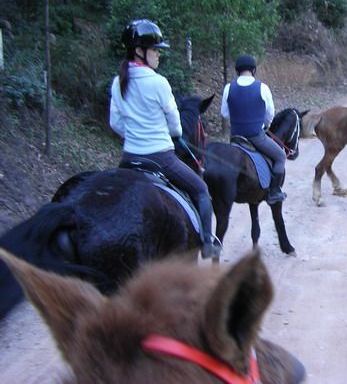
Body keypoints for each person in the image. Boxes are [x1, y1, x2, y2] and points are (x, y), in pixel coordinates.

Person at [109, 19, 217, 259]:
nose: (158, 55)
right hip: (161, 158)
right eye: (156, 50)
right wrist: (171, 134)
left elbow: (115, 123)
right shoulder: (159, 82)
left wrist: (135, 135)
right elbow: (175, 126)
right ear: (139, 50)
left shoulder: (118, 82)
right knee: (200, 189)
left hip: (128, 160)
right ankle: (208, 244)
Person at [221, 55, 287, 205]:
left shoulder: (228, 88)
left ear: (237, 70)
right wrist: (265, 124)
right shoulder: (262, 87)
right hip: (256, 136)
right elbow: (269, 114)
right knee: (280, 157)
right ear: (254, 70)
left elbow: (224, 113)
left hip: (235, 137)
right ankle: (275, 191)